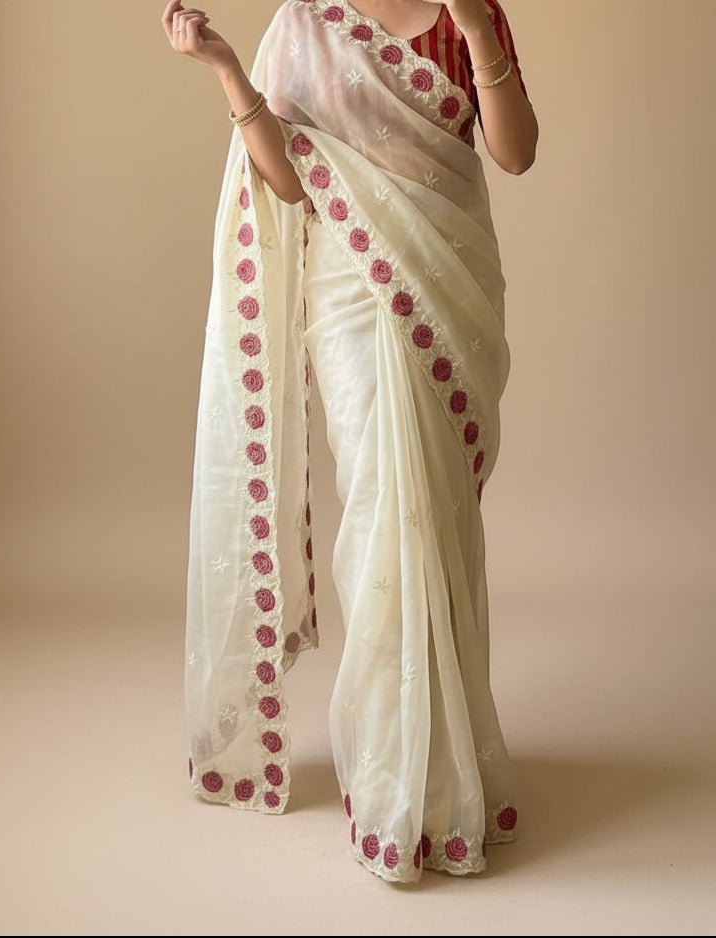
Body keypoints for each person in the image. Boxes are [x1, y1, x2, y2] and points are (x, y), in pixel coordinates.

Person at [161, 0, 538, 884]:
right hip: (350, 295)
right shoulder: (304, 24)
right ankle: (391, 779)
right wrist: (227, 70)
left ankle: (448, 775)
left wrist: (478, 29)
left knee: (440, 522)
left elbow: (516, 154)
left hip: (447, 288)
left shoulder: (471, 14)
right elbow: (292, 182)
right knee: (381, 518)